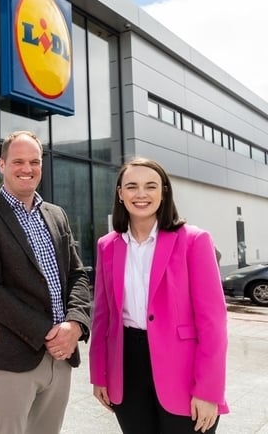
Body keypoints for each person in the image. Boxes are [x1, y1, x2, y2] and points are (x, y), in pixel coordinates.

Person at [0, 130, 92, 434]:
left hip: (60, 358)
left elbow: (77, 275)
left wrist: (74, 325)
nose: (27, 168)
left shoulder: (56, 214)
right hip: (12, 361)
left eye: (34, 161)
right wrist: (48, 332)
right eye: (18, 161)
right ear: (1, 164)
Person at [89, 157, 228, 433]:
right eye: (132, 186)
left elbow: (213, 322)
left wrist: (209, 391)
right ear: (120, 194)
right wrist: (99, 375)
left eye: (150, 186)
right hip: (127, 367)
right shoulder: (107, 245)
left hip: (183, 370)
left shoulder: (194, 241)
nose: (141, 194)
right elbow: (103, 318)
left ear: (163, 192)